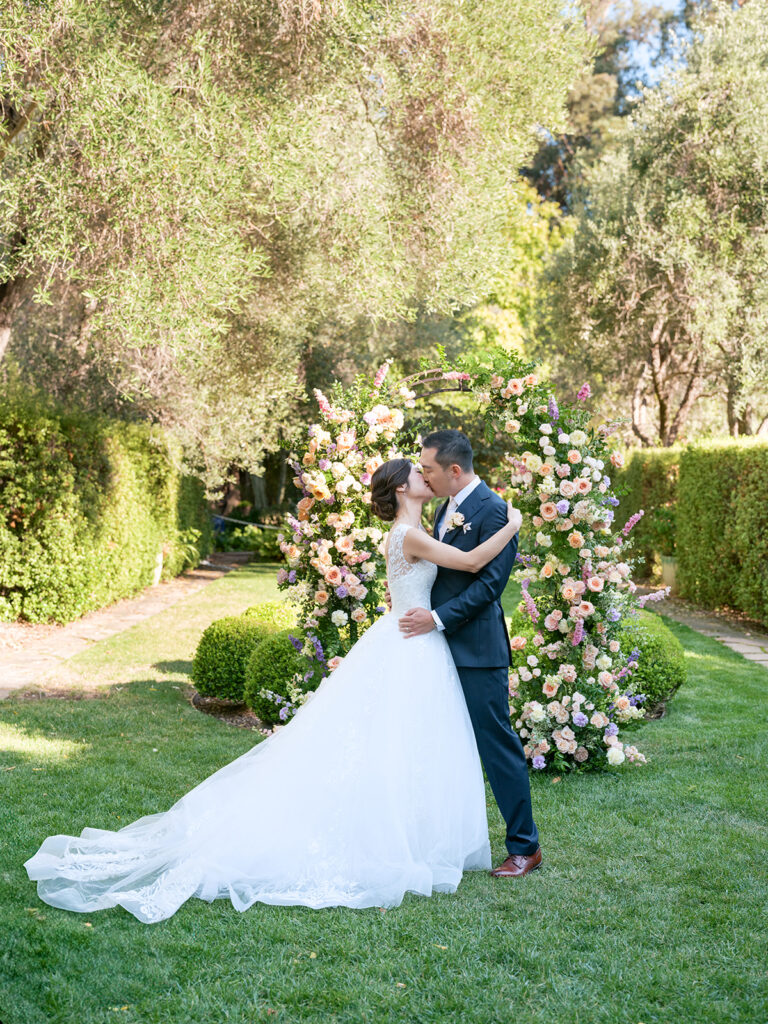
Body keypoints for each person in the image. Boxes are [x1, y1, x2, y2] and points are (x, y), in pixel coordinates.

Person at [24, 458, 522, 923]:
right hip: (410, 643)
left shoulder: (411, 530)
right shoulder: (410, 534)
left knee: (393, 739)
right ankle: (396, 837)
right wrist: (514, 525)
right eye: (417, 472)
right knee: (394, 737)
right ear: (400, 489)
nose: (425, 475)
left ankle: (410, 833)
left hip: (407, 637)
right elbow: (475, 561)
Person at [398, 430, 542, 879]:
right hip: (436, 650)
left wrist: (435, 618)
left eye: (430, 469)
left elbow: (487, 588)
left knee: (496, 746)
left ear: (454, 471)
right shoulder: (444, 506)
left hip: (478, 650)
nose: (425, 475)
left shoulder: (495, 510)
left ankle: (525, 847)